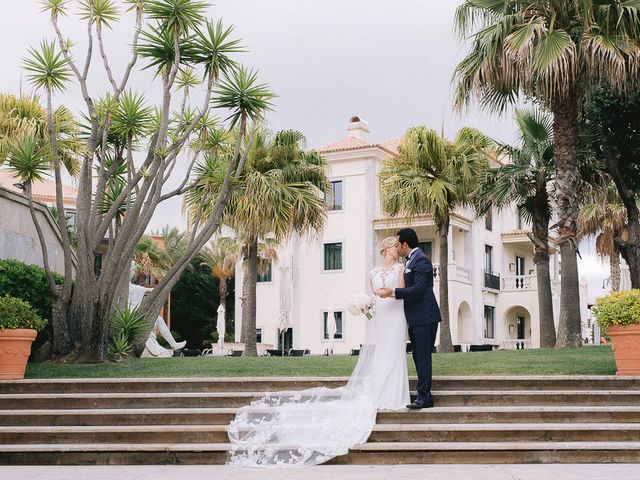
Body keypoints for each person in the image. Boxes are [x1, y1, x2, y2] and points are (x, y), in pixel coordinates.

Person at [227, 236, 410, 467]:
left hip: (395, 314)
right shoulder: (373, 271)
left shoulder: (401, 268)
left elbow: (401, 292)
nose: (398, 249)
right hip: (380, 316)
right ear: (385, 249)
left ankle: (394, 394)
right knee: (382, 353)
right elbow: (374, 295)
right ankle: (381, 392)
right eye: (395, 246)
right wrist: (366, 306)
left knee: (394, 352)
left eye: (398, 246)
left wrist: (388, 294)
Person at [377, 227, 441, 409]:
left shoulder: (421, 261)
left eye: (398, 244)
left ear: (405, 244)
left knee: (422, 357)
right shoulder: (410, 261)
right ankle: (423, 394)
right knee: (418, 357)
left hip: (425, 316)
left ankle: (425, 397)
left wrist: (394, 292)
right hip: (415, 317)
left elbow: (419, 289)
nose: (397, 247)